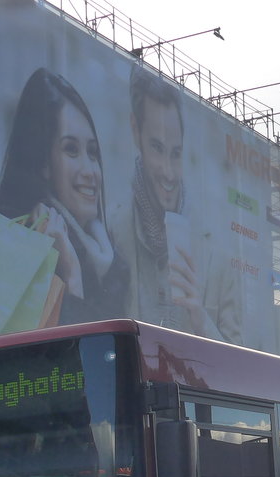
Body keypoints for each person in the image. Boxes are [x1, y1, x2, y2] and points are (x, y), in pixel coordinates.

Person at [0, 68, 130, 325]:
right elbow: (65, 354)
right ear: (43, 161)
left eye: (92, 152)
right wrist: (71, 275)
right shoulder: (24, 243)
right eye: (71, 149)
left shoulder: (107, 256)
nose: (90, 171)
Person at [113, 68, 241, 342]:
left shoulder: (217, 255)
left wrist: (200, 319)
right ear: (136, 131)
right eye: (157, 149)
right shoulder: (114, 234)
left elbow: (240, 367)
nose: (169, 172)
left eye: (176, 153)